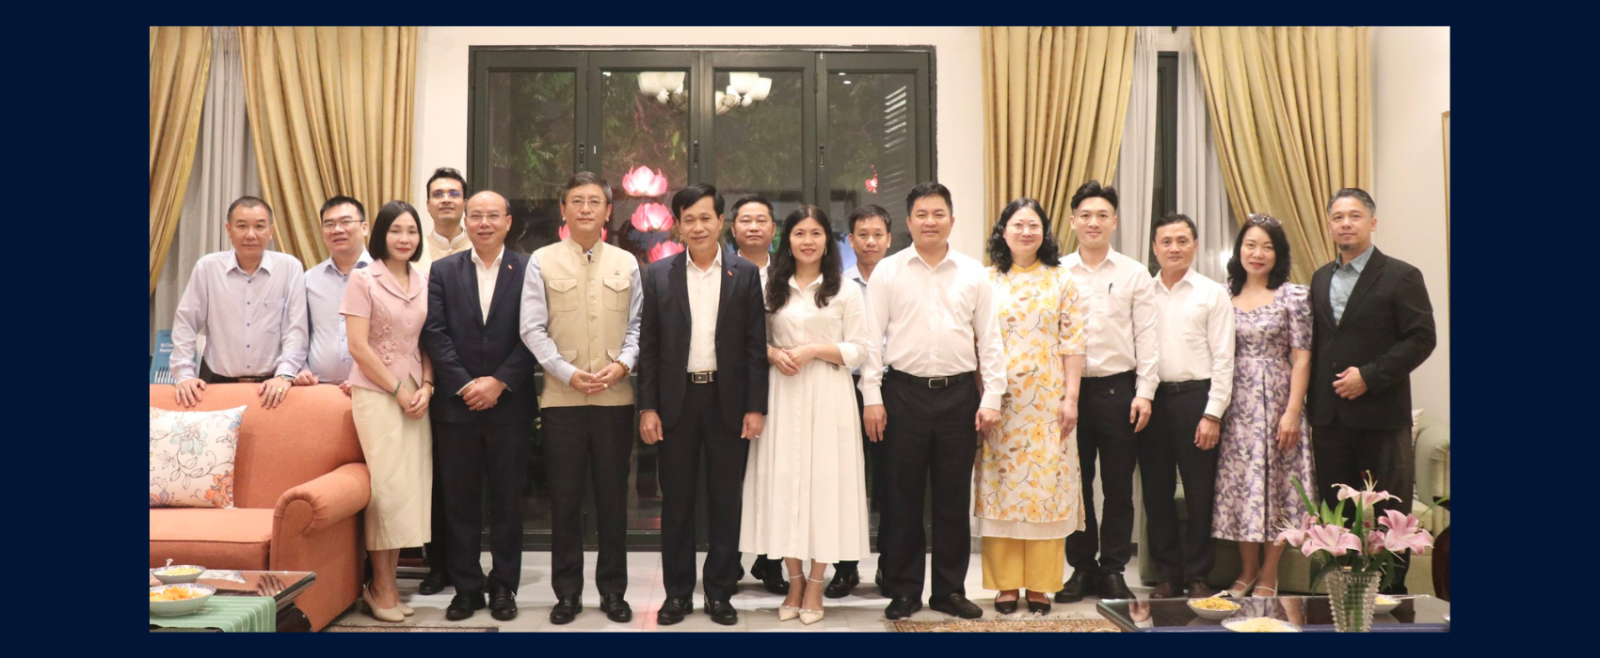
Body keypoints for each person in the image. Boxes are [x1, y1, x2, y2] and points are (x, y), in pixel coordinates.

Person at [860, 182, 1005, 620]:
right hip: (901, 393)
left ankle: (948, 590)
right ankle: (904, 590)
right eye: (921, 214)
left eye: (938, 213)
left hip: (959, 395)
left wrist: (992, 396)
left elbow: (991, 340)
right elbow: (870, 340)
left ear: (952, 221)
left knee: (951, 497)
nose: (930, 221)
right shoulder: (888, 271)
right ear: (908, 222)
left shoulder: (973, 273)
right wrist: (872, 397)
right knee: (901, 497)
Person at [638, 184, 768, 626]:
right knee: (675, 502)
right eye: (688, 219)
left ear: (720, 223)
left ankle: (719, 592)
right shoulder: (658, 275)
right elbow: (650, 347)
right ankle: (677, 594)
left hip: (726, 401)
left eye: (705, 218)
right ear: (678, 224)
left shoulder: (743, 274)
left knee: (724, 501)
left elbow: (755, 347)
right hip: (676, 402)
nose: (697, 226)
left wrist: (756, 406)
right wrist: (647, 407)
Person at [520, 172, 643, 625]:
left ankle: (614, 592)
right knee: (565, 503)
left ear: (609, 211)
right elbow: (531, 327)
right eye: (577, 201)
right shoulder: (542, 261)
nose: (586, 208)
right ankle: (567, 593)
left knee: (614, 502)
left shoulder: (626, 263)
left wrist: (624, 365)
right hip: (561, 400)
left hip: (615, 398)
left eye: (595, 201)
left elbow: (637, 326)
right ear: (564, 210)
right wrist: (567, 373)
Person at [741, 205, 872, 624]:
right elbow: (747, 341)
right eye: (800, 233)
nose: (808, 240)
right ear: (787, 239)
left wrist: (816, 349)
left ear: (827, 241)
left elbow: (861, 348)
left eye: (816, 233)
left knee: (823, 487)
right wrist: (774, 353)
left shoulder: (845, 289)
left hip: (829, 395)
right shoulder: (768, 286)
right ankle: (792, 578)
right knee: (784, 485)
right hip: (780, 394)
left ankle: (816, 583)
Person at [1308, 188, 1436, 595]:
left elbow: (1421, 339)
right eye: (1338, 218)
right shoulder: (1320, 277)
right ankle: (1340, 594)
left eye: (1355, 216)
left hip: (1381, 415)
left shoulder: (1401, 275)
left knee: (1387, 512)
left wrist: (1369, 375)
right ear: (1329, 226)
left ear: (1372, 223)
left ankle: (1390, 599)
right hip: (1329, 418)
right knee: (1337, 517)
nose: (1346, 224)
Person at [420, 190, 538, 622]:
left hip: (510, 406)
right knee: (460, 503)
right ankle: (466, 588)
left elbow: (537, 333)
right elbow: (434, 333)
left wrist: (500, 382)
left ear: (509, 221)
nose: (484, 223)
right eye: (477, 216)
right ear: (466, 221)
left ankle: (504, 586)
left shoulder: (529, 270)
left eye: (493, 216)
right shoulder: (443, 270)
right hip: (457, 407)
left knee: (508, 502)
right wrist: (467, 384)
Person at [978, 198, 1086, 615]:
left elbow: (1074, 343)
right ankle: (1005, 585)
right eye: (1018, 224)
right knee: (1002, 487)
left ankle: (1041, 585)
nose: (1026, 232)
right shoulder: (987, 280)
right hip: (999, 404)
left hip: (1048, 404)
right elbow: (976, 342)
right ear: (1003, 231)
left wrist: (1071, 398)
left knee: (1046, 489)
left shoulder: (1062, 280)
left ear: (1045, 232)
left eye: (1034, 225)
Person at [1056, 181, 1158, 603]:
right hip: (1068, 394)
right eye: (1085, 215)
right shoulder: (1056, 272)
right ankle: (1080, 567)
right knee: (1075, 485)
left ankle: (1114, 569)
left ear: (1114, 221)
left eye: (1102, 215)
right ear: (1073, 221)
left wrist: (1146, 391)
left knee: (1117, 487)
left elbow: (1148, 337)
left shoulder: (1133, 272)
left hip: (1120, 392)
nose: (1093, 222)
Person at [1211, 214, 1316, 599]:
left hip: (1277, 401)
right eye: (1251, 245)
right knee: (1242, 486)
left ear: (1279, 253)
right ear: (1239, 250)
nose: (1258, 253)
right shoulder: (1222, 295)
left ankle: (1269, 573)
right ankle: (1247, 570)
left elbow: (1302, 358)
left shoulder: (1294, 296)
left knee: (1278, 486)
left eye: (1267, 247)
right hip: (1235, 403)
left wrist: (1292, 411)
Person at [341, 200, 435, 622]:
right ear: (380, 234)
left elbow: (428, 342)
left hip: (416, 394)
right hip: (378, 394)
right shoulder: (363, 279)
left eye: (412, 231)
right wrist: (397, 390)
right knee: (386, 492)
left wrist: (428, 386)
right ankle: (380, 587)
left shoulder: (423, 279)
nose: (405, 238)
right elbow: (358, 347)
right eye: (396, 230)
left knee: (408, 494)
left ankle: (389, 585)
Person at [1140, 213, 1235, 600]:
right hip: (1151, 400)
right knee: (1156, 492)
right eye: (1166, 241)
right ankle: (1167, 575)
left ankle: (1198, 575)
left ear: (1195, 245)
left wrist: (1213, 413)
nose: (1174, 248)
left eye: (1182, 240)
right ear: (1154, 248)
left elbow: (1224, 359)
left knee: (1200, 494)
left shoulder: (1213, 293)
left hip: (1198, 400)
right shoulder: (1142, 292)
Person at [170, 196, 307, 410]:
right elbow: (186, 323)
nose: (250, 234)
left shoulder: (290, 268)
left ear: (271, 230)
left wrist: (284, 375)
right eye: (242, 226)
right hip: (217, 383)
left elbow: (296, 328)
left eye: (259, 226)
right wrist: (184, 374)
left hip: (273, 385)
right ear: (228, 229)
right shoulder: (208, 268)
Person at [827, 204, 893, 599]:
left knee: (890, 484)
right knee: (844, 480)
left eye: (877, 234)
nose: (870, 241)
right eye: (862, 235)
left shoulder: (901, 279)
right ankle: (843, 568)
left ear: (888, 239)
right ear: (850, 241)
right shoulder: (837, 285)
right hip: (844, 390)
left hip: (890, 391)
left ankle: (889, 566)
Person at [417, 166, 472, 595]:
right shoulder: (413, 255)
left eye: (454, 193)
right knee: (436, 477)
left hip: (477, 382)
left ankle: (471, 564)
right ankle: (438, 564)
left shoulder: (485, 248)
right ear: (429, 202)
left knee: (469, 479)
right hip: (426, 381)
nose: (447, 200)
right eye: (438, 193)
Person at [727, 194, 786, 596]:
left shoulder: (788, 271)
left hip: (784, 383)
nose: (753, 227)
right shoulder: (723, 270)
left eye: (761, 220)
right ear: (732, 229)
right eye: (744, 220)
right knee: (732, 477)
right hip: (734, 383)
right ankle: (728, 559)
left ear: (773, 229)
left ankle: (772, 559)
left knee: (775, 474)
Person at [295, 196, 371, 391]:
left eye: (346, 222)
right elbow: (298, 332)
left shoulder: (383, 275)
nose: (337, 230)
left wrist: (367, 378)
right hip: (319, 389)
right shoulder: (309, 279)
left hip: (373, 388)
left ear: (365, 227)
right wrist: (301, 369)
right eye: (329, 224)